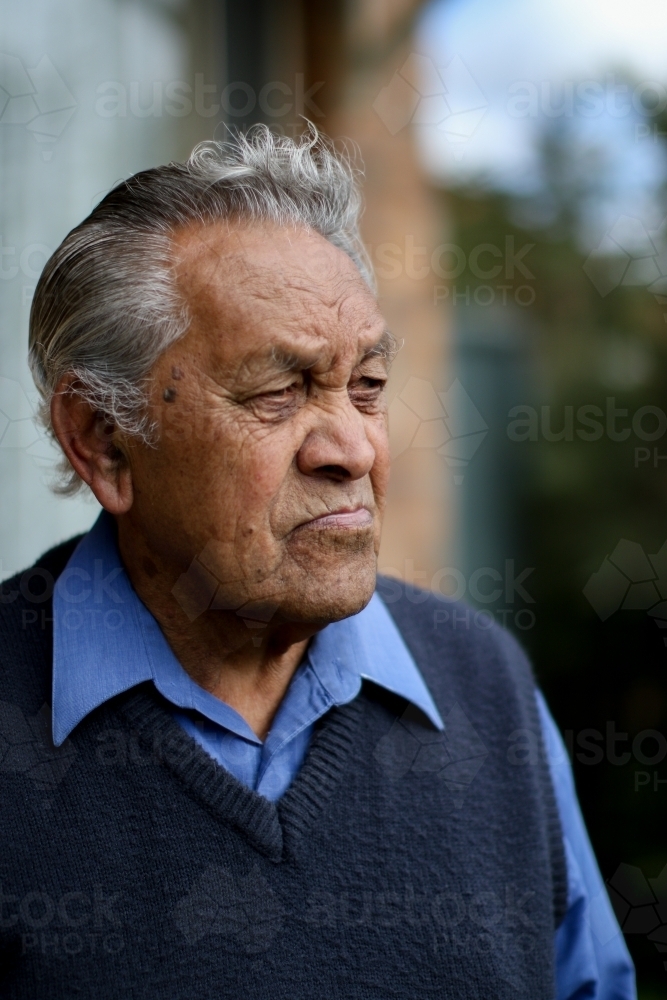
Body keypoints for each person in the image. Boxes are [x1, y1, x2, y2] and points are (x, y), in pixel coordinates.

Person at [0, 127, 634, 999]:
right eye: (278, 393)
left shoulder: (481, 683)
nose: (353, 447)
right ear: (103, 443)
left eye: (366, 386)